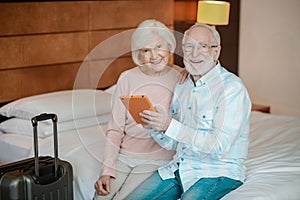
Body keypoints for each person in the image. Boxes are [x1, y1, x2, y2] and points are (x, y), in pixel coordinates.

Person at [125, 23, 252, 200]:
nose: (194, 54)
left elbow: (219, 146)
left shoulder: (232, 88)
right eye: (189, 47)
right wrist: (154, 126)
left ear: (216, 52)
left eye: (203, 47)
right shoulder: (182, 84)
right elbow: (173, 144)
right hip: (179, 168)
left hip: (218, 171)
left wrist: (170, 125)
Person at [94, 19, 182, 199]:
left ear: (169, 46)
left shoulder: (181, 77)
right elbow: (115, 130)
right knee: (101, 197)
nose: (154, 55)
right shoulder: (126, 78)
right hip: (125, 156)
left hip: (158, 159)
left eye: (159, 47)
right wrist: (107, 170)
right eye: (146, 50)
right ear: (139, 54)